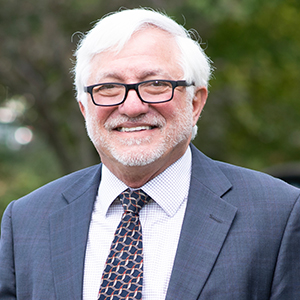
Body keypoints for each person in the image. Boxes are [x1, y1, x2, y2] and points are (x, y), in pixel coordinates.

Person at [0, 8, 300, 300]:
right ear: (84, 108)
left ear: (196, 102)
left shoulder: (278, 216)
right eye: (108, 87)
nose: (132, 107)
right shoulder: (26, 222)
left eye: (156, 84)